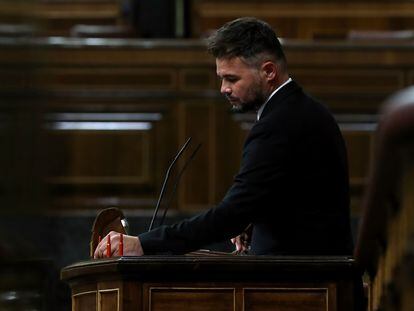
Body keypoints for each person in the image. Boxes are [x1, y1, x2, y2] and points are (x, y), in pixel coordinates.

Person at [94, 17, 354, 258]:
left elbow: (231, 214)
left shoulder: (280, 124)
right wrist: (254, 220)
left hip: (307, 288)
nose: (224, 89)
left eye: (232, 79)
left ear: (269, 72)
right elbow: (298, 200)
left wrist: (142, 244)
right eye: (221, 78)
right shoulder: (301, 110)